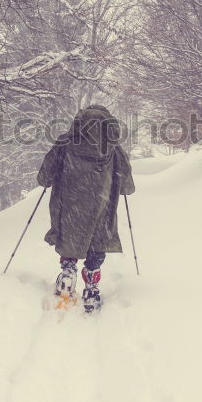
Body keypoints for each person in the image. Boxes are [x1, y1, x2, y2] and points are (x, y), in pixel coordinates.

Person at [37, 105, 135, 313]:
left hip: (70, 203)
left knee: (70, 234)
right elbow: (127, 186)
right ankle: (91, 286)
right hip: (102, 205)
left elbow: (44, 177)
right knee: (97, 240)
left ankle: (68, 273)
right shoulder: (114, 148)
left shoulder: (65, 143)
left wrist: (52, 178)